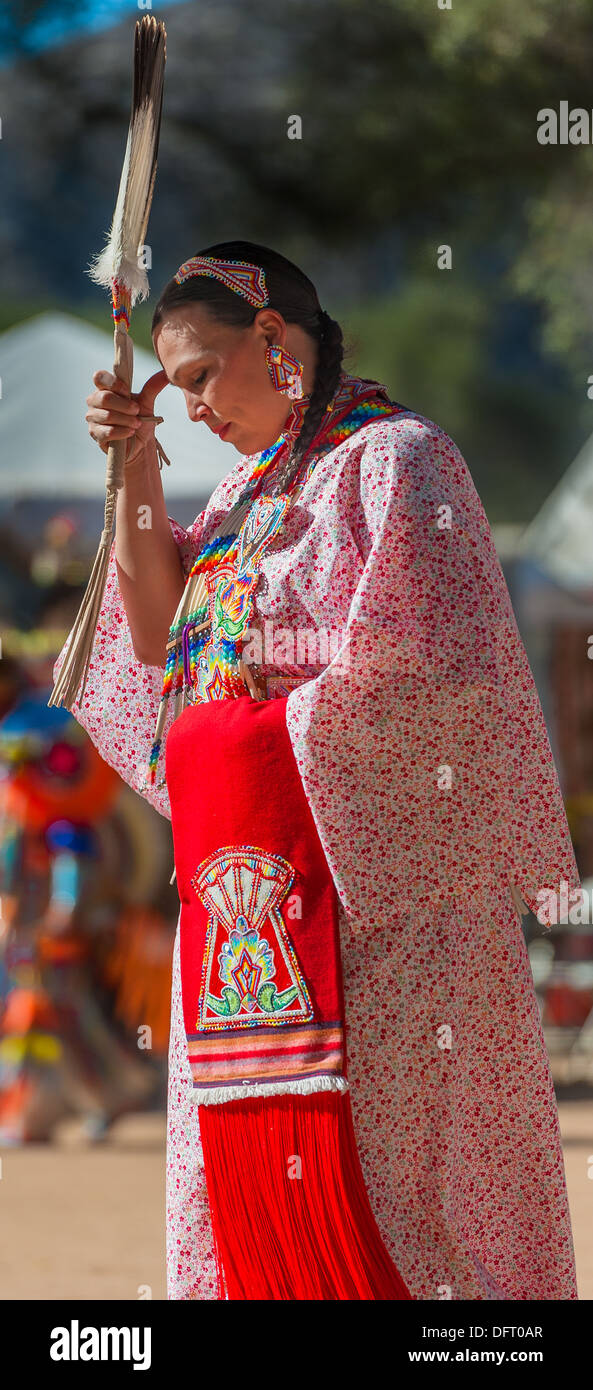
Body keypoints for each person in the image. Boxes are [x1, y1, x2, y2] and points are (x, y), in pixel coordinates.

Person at [55, 239, 582, 1301]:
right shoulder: (245, 492)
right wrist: (140, 465)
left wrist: (240, 737)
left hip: (381, 901)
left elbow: (428, 672)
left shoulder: (397, 461)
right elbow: (161, 642)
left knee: (391, 1193)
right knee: (233, 1190)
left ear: (273, 338)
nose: (193, 404)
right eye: (174, 387)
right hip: (249, 898)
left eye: (201, 375)